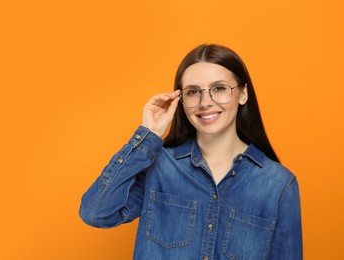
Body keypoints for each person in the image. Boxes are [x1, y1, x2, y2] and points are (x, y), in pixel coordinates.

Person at [79, 44, 302, 259]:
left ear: (242, 94)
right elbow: (96, 212)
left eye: (219, 88)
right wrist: (148, 135)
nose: (205, 102)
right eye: (193, 92)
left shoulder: (279, 185)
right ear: (181, 100)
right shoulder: (159, 166)